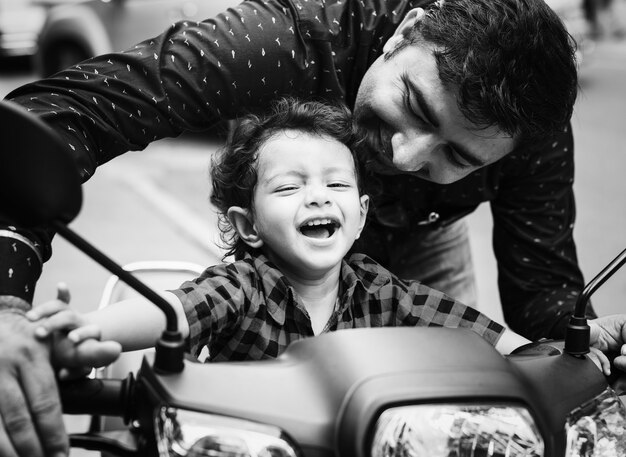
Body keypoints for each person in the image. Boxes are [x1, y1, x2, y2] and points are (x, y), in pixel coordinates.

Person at [0, 0, 602, 455]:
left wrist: (595, 346)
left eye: (459, 159)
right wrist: (8, 309)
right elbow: (58, 115)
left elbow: (546, 307)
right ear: (404, 33)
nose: (403, 159)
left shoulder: (533, 132)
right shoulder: (284, 42)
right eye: (416, 108)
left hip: (417, 253)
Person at [26, 99, 626, 375]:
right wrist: (88, 332)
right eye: (288, 189)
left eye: (335, 185)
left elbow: (489, 339)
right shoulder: (242, 286)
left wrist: (567, 355)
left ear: (360, 216)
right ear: (247, 228)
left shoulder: (382, 291)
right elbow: (174, 313)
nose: (316, 196)